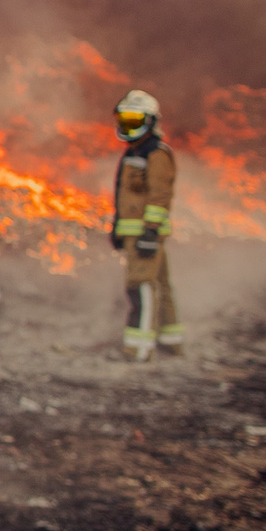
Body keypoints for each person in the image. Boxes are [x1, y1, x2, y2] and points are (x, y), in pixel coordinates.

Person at [110, 89, 181, 359]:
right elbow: (126, 196)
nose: (128, 127)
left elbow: (159, 196)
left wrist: (150, 232)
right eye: (125, 120)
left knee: (140, 285)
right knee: (160, 284)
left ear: (150, 122)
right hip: (135, 233)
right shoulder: (135, 152)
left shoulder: (156, 154)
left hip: (145, 234)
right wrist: (118, 227)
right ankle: (170, 341)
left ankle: (138, 349)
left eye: (135, 121)